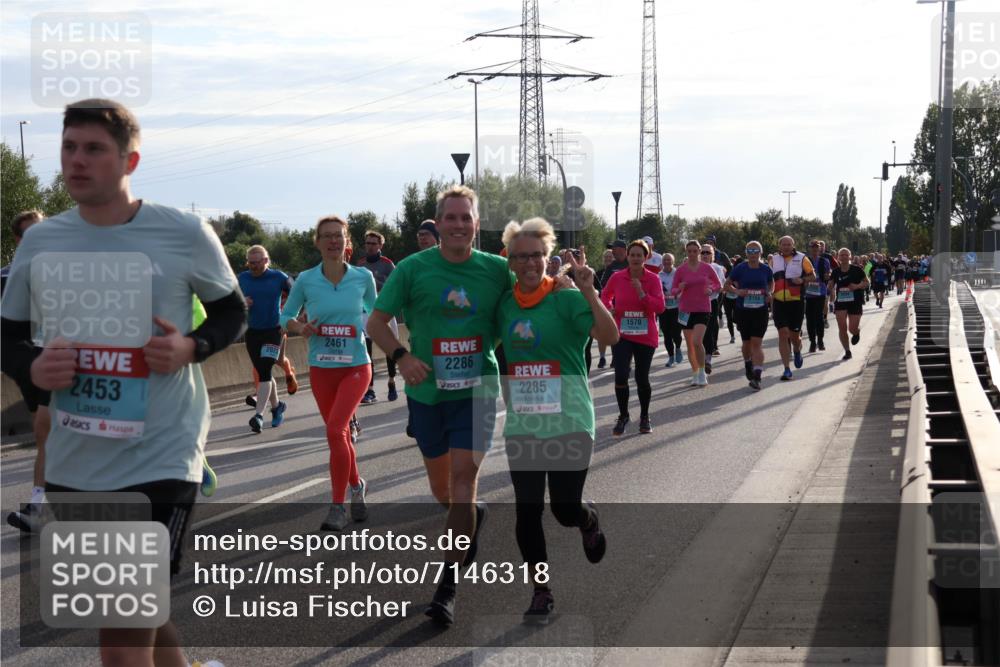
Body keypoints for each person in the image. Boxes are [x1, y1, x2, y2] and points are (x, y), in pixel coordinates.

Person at [0, 98, 242, 667]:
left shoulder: (183, 232)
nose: (76, 161)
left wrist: (190, 346)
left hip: (162, 450)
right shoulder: (41, 241)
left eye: (93, 149)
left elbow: (233, 314)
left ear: (129, 161)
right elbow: (6, 335)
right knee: (135, 607)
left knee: (122, 628)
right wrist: (34, 369)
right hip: (75, 457)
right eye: (68, 147)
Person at [367, 185, 511, 627]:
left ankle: (447, 585)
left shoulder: (497, 270)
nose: (458, 225)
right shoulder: (411, 269)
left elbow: (533, 298)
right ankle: (470, 517)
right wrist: (402, 357)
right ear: (439, 223)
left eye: (465, 218)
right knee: (443, 493)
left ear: (476, 223)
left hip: (478, 390)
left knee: (464, 483)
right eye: (450, 218)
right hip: (428, 394)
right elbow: (376, 321)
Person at [497, 218, 618, 623]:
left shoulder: (566, 299)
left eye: (537, 255)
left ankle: (587, 518)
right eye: (522, 256)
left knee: (563, 509)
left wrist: (589, 292)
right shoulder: (504, 306)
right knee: (527, 511)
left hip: (569, 419)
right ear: (510, 261)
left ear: (548, 258)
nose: (530, 262)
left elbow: (610, 336)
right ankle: (541, 590)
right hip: (524, 424)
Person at [281, 216, 374, 530]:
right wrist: (300, 327)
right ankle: (358, 486)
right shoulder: (306, 280)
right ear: (317, 242)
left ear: (347, 242)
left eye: (339, 236)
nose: (333, 241)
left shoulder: (363, 278)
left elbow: (378, 313)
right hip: (322, 368)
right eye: (327, 236)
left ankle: (337, 507)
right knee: (341, 435)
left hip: (356, 367)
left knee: (336, 430)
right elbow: (286, 316)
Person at [2, 210, 51, 533]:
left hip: (75, 360)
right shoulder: (6, 278)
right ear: (19, 240)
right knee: (45, 433)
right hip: (36, 364)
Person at [600, 240, 665, 435]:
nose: (636, 258)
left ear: (646, 258)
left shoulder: (653, 279)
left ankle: (644, 416)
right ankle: (623, 415)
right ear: (627, 257)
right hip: (622, 334)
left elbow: (660, 307)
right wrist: (609, 308)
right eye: (633, 255)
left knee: (641, 378)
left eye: (639, 255)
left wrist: (642, 293)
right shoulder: (617, 277)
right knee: (620, 375)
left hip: (646, 335)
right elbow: (605, 295)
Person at [238, 245, 293, 433]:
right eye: (250, 263)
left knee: (266, 368)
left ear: (266, 261)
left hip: (274, 330)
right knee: (263, 373)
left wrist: (288, 318)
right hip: (252, 332)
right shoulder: (242, 278)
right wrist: (241, 302)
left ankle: (258, 415)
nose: (253, 266)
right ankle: (277, 406)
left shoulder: (279, 277)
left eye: (257, 262)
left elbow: (297, 295)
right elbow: (229, 299)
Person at [670, 240, 721, 386]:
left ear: (699, 252)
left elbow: (718, 284)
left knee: (697, 341)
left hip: (703, 309)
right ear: (686, 252)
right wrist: (679, 288)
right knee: (690, 345)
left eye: (695, 251)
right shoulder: (681, 270)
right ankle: (695, 373)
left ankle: (702, 372)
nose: (692, 254)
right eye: (689, 251)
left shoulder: (707, 268)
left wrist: (711, 290)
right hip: (685, 310)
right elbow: (673, 290)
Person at [724, 241, 774, 391]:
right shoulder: (739, 268)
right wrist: (738, 292)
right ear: (746, 252)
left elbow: (771, 283)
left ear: (761, 252)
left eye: (755, 250)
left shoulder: (766, 269)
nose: (753, 253)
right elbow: (726, 285)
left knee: (756, 343)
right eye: (750, 250)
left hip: (760, 310)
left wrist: (770, 293)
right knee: (747, 343)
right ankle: (747, 362)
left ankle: (757, 376)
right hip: (743, 310)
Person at [358, 230, 400, 403]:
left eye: (373, 243)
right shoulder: (360, 264)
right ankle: (370, 390)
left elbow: (397, 286)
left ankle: (391, 381)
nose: (370, 246)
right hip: (365, 314)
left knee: (390, 349)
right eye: (367, 243)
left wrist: (377, 287)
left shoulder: (388, 264)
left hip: (385, 312)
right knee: (366, 352)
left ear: (380, 245)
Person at [768, 236, 815, 381]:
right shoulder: (773, 260)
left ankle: (797, 349)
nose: (786, 246)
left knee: (795, 336)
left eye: (789, 244)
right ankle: (786, 369)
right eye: (784, 244)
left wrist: (802, 280)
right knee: (783, 334)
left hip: (796, 302)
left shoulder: (802, 258)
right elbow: (769, 279)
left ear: (793, 245)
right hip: (779, 302)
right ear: (779, 245)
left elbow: (812, 276)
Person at [829, 248, 869, 361]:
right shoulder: (836, 271)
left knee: (852, 328)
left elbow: (867, 282)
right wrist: (828, 285)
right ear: (838, 257)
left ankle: (856, 332)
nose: (844, 257)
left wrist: (856, 286)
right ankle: (847, 351)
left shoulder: (857, 270)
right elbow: (830, 285)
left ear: (850, 257)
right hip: (841, 302)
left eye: (846, 255)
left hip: (855, 301)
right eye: (841, 255)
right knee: (842, 328)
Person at [597, 240, 628, 369]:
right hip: (614, 306)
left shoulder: (631, 263)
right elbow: (603, 285)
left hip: (629, 305)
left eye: (614, 249)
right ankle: (616, 357)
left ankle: (626, 359)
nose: (613, 252)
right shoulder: (611, 267)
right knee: (615, 332)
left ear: (622, 250)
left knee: (626, 334)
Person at [701, 243, 727, 371]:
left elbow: (721, 286)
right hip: (696, 303)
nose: (705, 255)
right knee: (700, 332)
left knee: (710, 329)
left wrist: (711, 289)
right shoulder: (694, 267)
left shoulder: (717, 268)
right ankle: (701, 357)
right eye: (703, 252)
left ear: (712, 255)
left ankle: (708, 359)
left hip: (712, 301)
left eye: (708, 253)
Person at [804, 239, 831, 353]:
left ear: (820, 249)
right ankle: (812, 342)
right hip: (808, 293)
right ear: (810, 249)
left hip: (820, 291)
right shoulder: (805, 260)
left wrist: (827, 275)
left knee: (819, 317)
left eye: (817, 248)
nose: (815, 250)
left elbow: (828, 273)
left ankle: (820, 340)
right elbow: (801, 274)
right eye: (813, 248)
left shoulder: (824, 261)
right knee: (810, 318)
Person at [658, 253, 683, 368]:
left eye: (669, 260)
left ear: (673, 261)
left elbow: (683, 287)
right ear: (662, 262)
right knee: (666, 333)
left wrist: (679, 294)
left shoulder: (678, 273)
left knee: (676, 332)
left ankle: (678, 347)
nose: (667, 262)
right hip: (664, 308)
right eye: (665, 260)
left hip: (676, 307)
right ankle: (671, 357)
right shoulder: (659, 276)